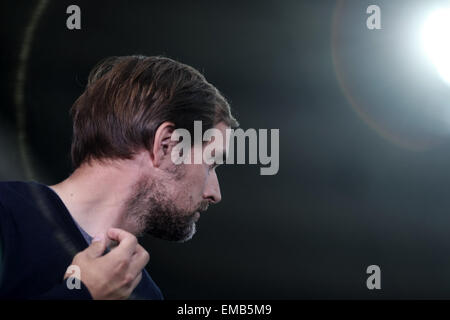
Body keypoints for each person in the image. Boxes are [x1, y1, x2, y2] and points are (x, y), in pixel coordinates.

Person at [0, 55, 238, 299]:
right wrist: (85, 293)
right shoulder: (6, 214)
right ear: (167, 146)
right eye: (211, 163)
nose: (215, 193)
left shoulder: (143, 293)